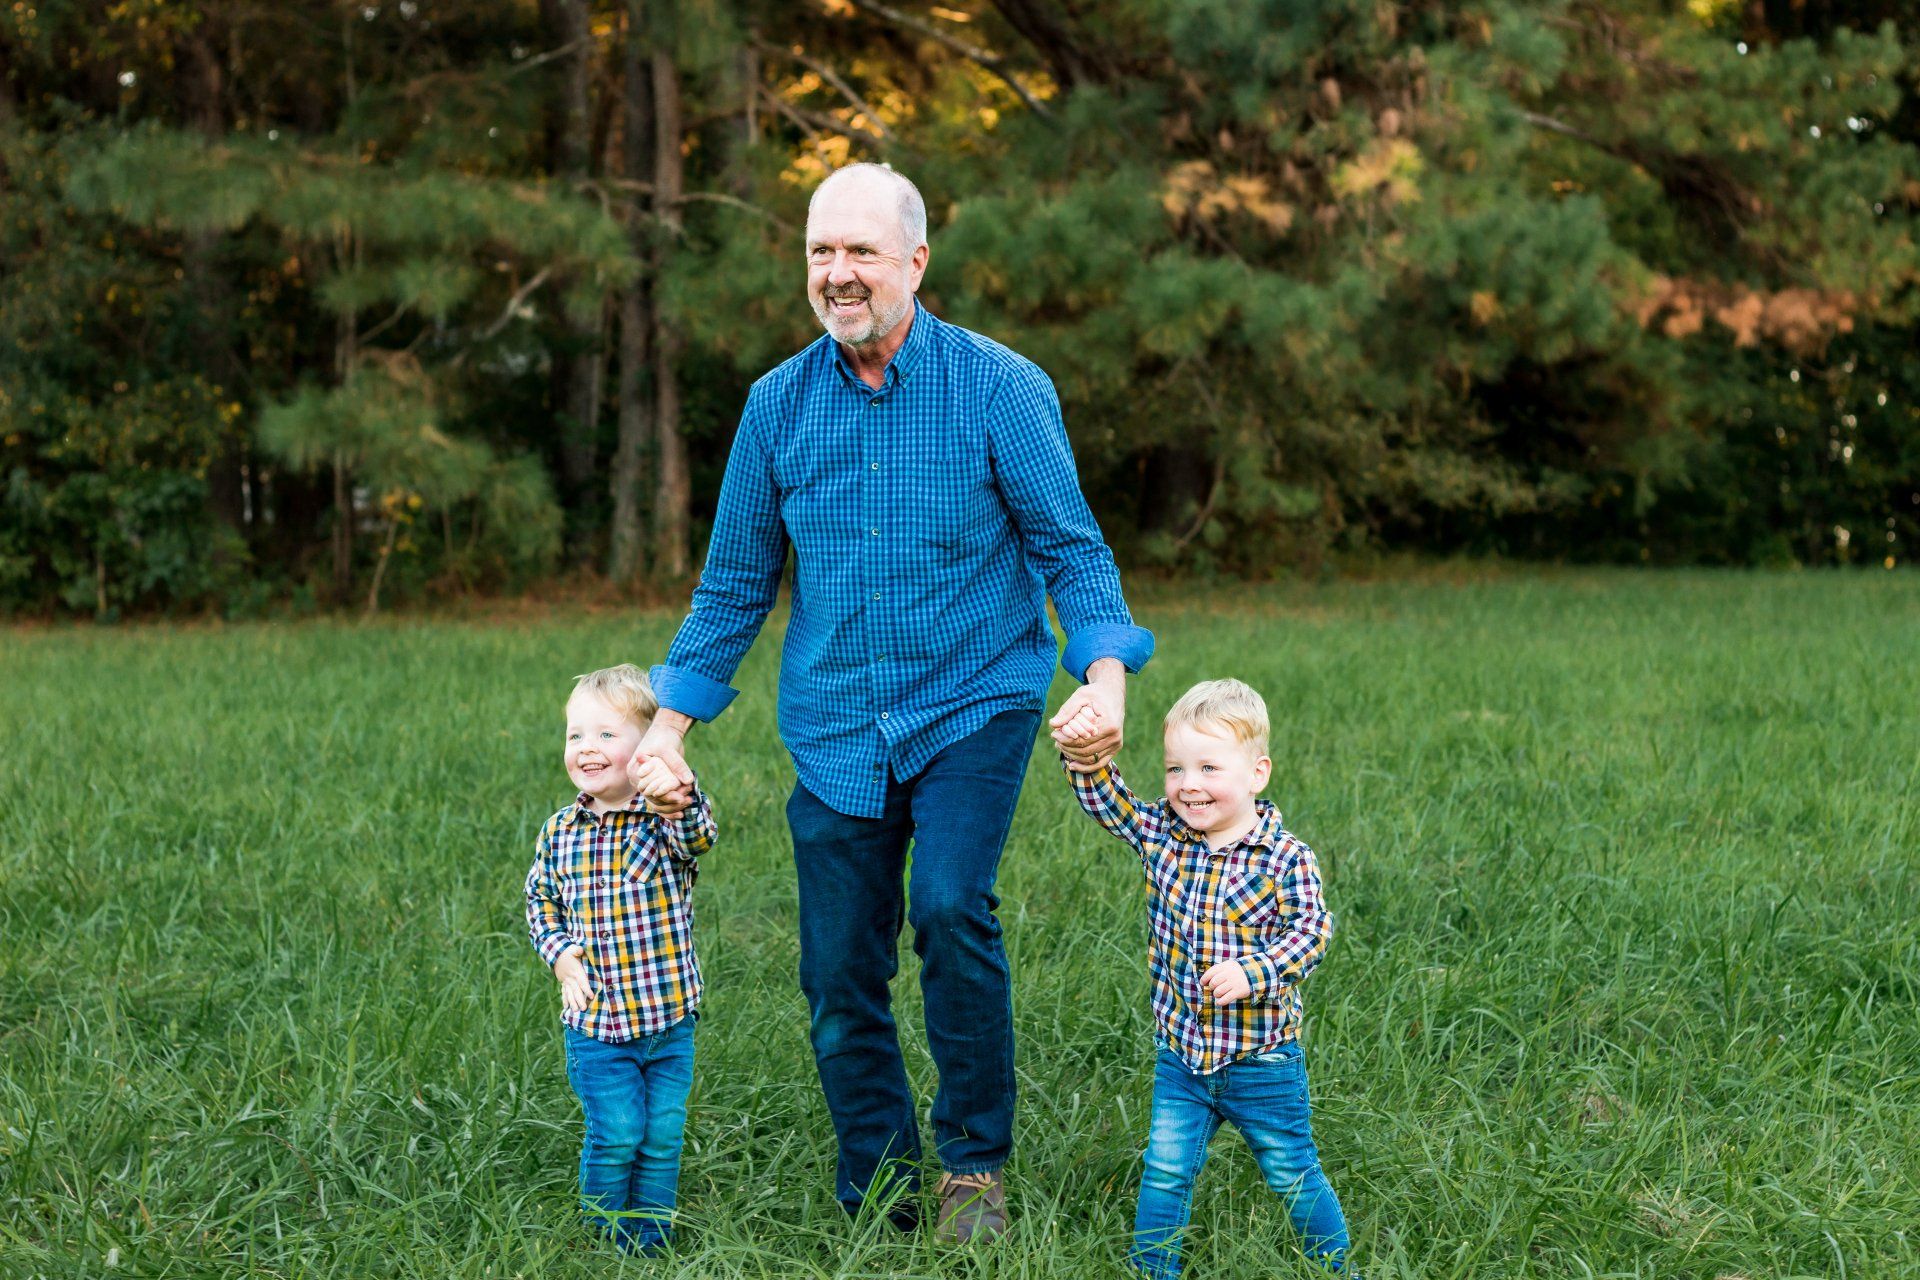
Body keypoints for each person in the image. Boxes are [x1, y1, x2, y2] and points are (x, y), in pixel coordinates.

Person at [630, 161, 1153, 1242]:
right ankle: (879, 1174)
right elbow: (733, 587)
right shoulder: (777, 405)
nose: (838, 272)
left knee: (952, 904)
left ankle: (972, 1166)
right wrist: (664, 728)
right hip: (834, 722)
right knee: (835, 969)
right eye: (822, 250)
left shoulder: (1001, 387)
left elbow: (1072, 550)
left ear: (916, 261)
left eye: (861, 250)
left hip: (975, 698)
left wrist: (1103, 679)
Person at [1056, 678, 1356, 1278]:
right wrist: (1084, 754)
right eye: (1175, 768)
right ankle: (1152, 1270)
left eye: (1209, 767)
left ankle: (1335, 1267)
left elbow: (1312, 930)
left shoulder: (1283, 858)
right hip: (1183, 1056)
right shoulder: (1164, 837)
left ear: (1257, 773)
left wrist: (1257, 970)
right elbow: (1110, 804)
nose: (1188, 785)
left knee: (1291, 1169)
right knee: (1165, 1171)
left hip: (1261, 1060)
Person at [525, 664, 715, 1254]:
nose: (587, 748)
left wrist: (675, 796)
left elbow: (699, 836)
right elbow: (540, 901)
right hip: (598, 1026)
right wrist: (561, 958)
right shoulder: (559, 832)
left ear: (648, 746)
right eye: (576, 735)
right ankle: (604, 1237)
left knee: (661, 1135)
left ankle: (651, 1239)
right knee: (618, 1133)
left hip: (668, 1019)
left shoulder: (665, 822)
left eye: (607, 735)